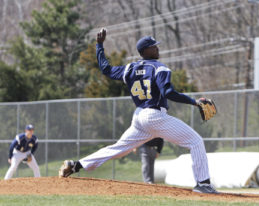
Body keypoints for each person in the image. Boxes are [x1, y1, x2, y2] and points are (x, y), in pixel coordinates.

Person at [59, 28, 218, 194]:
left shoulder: (129, 69)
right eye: (154, 46)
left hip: (139, 117)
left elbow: (106, 69)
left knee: (118, 149)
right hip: (154, 116)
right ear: (145, 51)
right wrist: (194, 102)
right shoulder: (160, 68)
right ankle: (203, 184)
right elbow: (168, 93)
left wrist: (99, 45)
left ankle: (75, 165)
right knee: (196, 141)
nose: (157, 48)